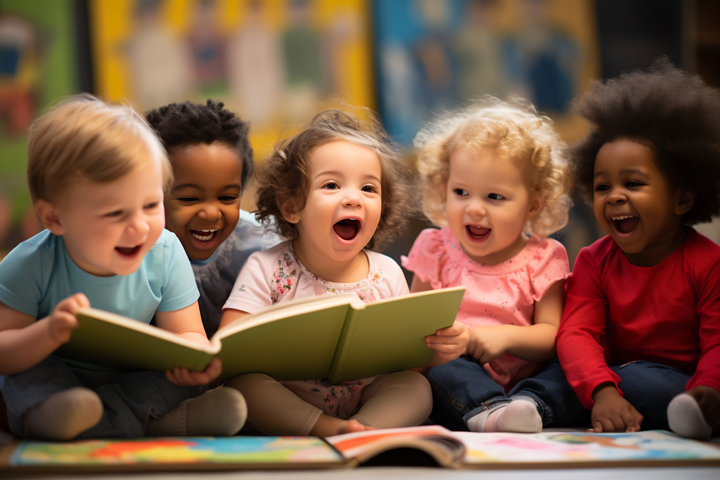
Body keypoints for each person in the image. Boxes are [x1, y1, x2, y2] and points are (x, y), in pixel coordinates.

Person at [0, 96, 246, 440]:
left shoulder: (164, 251)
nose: (140, 227)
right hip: (59, 378)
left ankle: (92, 426)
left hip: (129, 377)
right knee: (27, 378)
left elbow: (187, 333)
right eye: (116, 213)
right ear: (54, 218)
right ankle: (134, 422)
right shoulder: (29, 263)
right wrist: (48, 333)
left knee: (170, 381)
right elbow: (4, 354)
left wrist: (196, 359)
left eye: (150, 205)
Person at [219, 109, 432, 438]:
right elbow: (228, 345)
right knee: (244, 386)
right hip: (288, 397)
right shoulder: (267, 267)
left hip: (367, 398)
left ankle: (364, 430)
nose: (353, 198)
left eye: (369, 188)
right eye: (332, 185)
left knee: (416, 385)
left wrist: (435, 349)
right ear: (292, 206)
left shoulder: (387, 272)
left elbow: (407, 362)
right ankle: (325, 428)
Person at [557, 59, 720, 440]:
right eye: (602, 187)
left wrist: (709, 389)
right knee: (559, 369)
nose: (614, 196)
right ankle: (520, 406)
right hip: (615, 377)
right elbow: (576, 334)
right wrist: (603, 391)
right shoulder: (593, 260)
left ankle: (698, 411)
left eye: (632, 183)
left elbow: (718, 341)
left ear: (681, 198)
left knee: (639, 378)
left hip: (683, 382)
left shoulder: (708, 262)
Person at [403, 97, 586, 433]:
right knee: (444, 373)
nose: (473, 208)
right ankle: (491, 413)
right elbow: (415, 334)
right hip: (460, 383)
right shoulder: (435, 248)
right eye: (460, 192)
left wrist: (505, 337)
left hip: (529, 382)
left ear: (533, 204)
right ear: (443, 187)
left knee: (575, 367)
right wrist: (443, 350)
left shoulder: (545, 256)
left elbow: (552, 335)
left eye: (494, 197)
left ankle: (531, 406)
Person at [145, 99, 279, 338]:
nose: (211, 213)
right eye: (189, 199)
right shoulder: (133, 249)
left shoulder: (264, 245)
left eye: (227, 198)